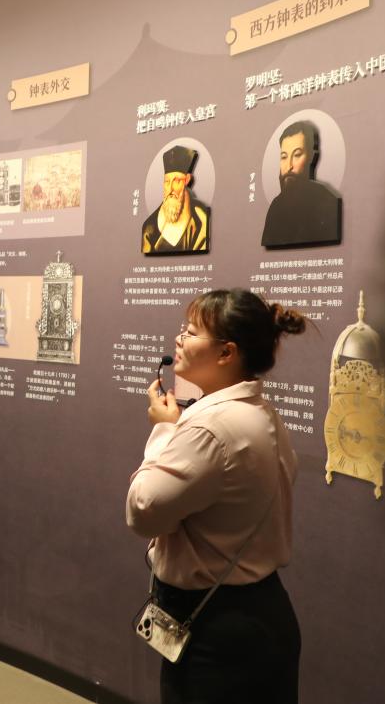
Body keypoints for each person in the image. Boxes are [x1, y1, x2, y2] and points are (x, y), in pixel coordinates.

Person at [126, 289, 305, 704]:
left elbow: (142, 511)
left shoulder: (210, 428)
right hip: (259, 614)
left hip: (217, 632)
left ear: (226, 353)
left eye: (191, 332)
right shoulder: (260, 413)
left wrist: (165, 429)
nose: (179, 339)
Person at [261, 120, 342, 248]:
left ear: (311, 157)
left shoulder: (327, 202)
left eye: (297, 155)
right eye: (284, 157)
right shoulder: (276, 206)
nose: (289, 166)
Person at [142, 146, 210, 254]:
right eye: (167, 181)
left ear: (187, 180)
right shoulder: (149, 227)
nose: (170, 189)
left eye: (177, 180)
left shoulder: (201, 220)